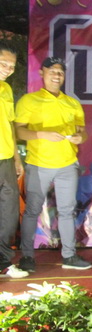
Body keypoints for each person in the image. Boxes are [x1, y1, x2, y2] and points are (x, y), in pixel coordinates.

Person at [15, 56, 92, 271]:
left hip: (68, 164)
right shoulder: (29, 100)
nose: (57, 75)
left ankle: (69, 255)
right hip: (38, 163)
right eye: (52, 71)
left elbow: (83, 132)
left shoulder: (72, 103)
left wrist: (80, 138)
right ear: (42, 73)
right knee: (32, 210)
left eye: (60, 72)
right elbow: (18, 131)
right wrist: (41, 134)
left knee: (67, 211)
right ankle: (27, 257)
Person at [0, 43, 27, 278]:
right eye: (3, 64)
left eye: (11, 66)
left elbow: (9, 124)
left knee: (8, 212)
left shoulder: (6, 89)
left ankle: (3, 262)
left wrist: (17, 158)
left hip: (6, 158)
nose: (8, 69)